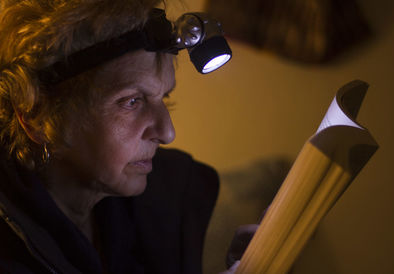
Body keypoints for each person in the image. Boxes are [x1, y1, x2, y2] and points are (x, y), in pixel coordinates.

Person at [0, 0, 233, 273]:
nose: (167, 133)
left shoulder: (165, 203)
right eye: (132, 102)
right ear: (36, 116)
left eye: (165, 98)